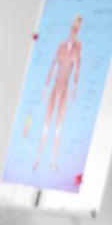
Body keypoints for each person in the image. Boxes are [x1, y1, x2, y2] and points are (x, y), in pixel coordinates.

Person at [33, 15, 82, 171]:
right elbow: (54, 65)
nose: (75, 30)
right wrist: (46, 86)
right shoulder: (61, 46)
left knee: (58, 127)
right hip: (55, 87)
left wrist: (75, 86)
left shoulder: (77, 48)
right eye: (74, 27)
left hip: (65, 89)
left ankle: (52, 161)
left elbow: (77, 69)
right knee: (46, 125)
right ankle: (38, 159)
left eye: (78, 28)